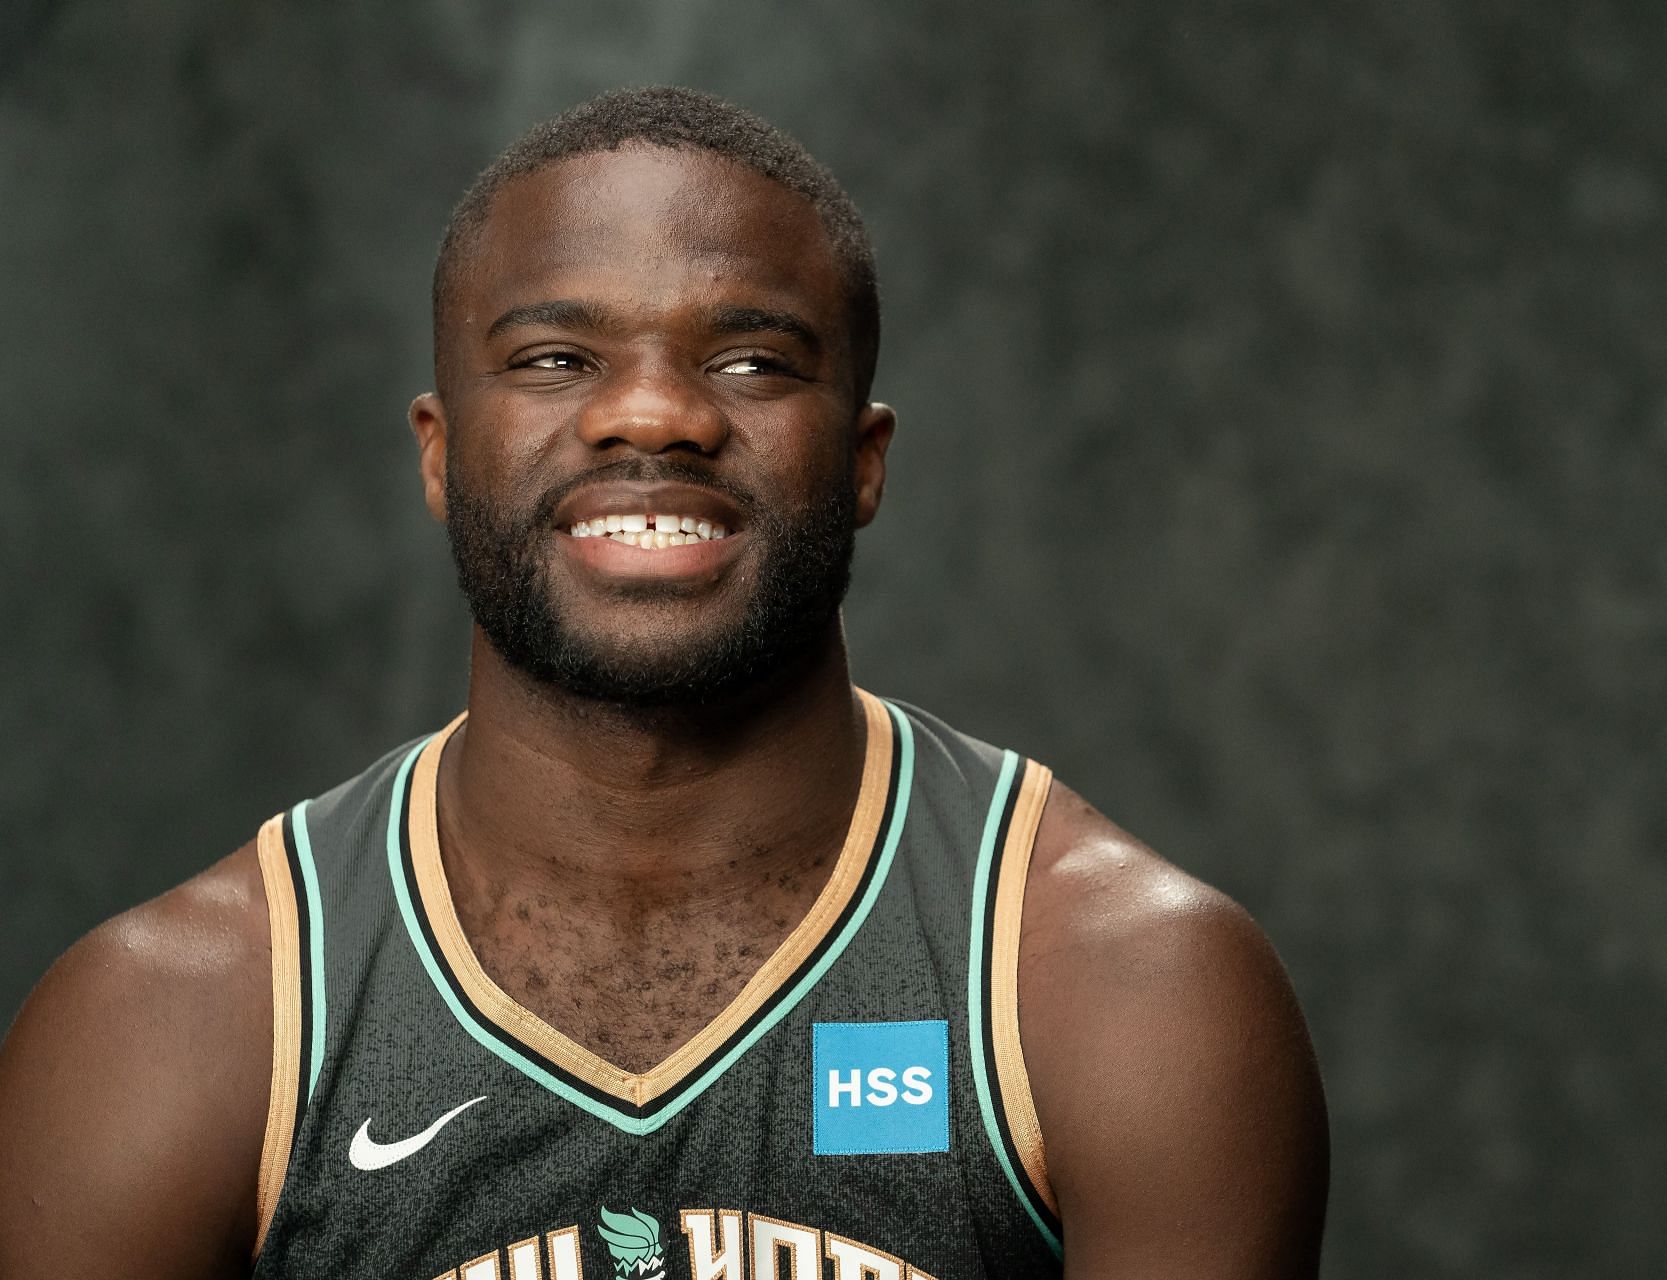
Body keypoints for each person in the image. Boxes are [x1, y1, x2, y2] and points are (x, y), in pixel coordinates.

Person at [0, 87, 1327, 1279]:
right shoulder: (177, 1024)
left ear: (863, 460)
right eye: (555, 359)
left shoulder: (1117, 988)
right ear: (439, 452)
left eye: (750, 361)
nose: (653, 414)